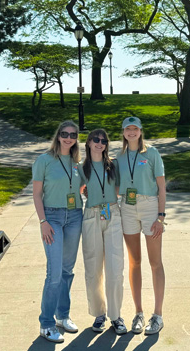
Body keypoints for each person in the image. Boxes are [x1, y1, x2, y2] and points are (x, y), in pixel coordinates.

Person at [32, 120, 83, 343]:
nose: (68, 138)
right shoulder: (44, 160)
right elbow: (36, 194)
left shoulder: (77, 161)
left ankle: (63, 316)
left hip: (74, 216)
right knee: (53, 274)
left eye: (72, 134)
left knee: (67, 270)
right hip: (51, 217)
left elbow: (79, 187)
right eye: (64, 133)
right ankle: (46, 323)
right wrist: (43, 221)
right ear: (58, 135)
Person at [117, 116, 166, 335]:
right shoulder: (119, 157)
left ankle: (158, 316)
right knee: (134, 262)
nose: (132, 132)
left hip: (150, 207)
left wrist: (160, 217)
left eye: (135, 128)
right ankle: (138, 313)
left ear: (141, 131)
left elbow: (162, 187)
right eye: (128, 129)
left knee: (155, 262)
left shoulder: (152, 153)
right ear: (123, 132)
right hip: (127, 207)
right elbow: (116, 187)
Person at [80, 129, 127, 335]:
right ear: (89, 143)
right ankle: (99, 313)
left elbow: (118, 189)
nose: (100, 143)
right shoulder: (81, 168)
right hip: (91, 216)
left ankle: (116, 316)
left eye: (104, 141)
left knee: (115, 268)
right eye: (96, 140)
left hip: (112, 214)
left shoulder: (113, 165)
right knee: (93, 268)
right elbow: (78, 188)